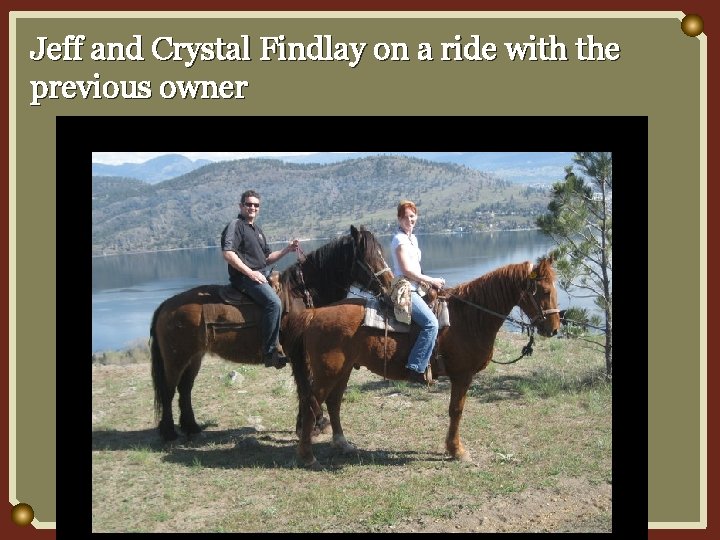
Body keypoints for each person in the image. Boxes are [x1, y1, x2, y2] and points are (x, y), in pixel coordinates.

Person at [221, 189, 300, 369]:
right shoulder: (236, 225)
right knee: (274, 303)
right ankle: (270, 351)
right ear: (240, 206)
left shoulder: (257, 230)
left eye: (256, 205)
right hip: (244, 278)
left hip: (261, 274)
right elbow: (228, 253)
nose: (252, 208)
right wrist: (250, 273)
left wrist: (287, 249)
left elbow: (267, 258)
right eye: (248, 204)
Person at [390, 200, 445, 386]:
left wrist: (428, 282)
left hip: (417, 285)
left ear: (416, 217)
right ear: (399, 219)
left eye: (412, 216)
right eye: (405, 217)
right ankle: (414, 368)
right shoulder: (399, 239)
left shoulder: (413, 239)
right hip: (406, 287)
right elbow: (406, 270)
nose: (409, 220)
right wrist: (430, 280)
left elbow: (417, 269)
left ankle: (437, 362)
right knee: (431, 324)